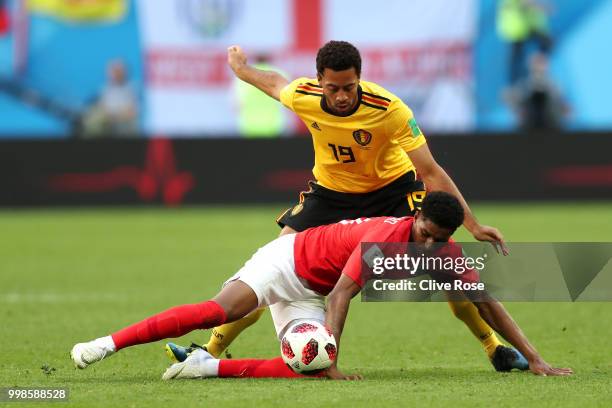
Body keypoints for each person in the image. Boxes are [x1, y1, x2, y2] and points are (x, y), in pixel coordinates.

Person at [167, 40, 522, 371]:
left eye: (348, 87)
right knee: (270, 267)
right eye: (332, 87)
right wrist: (243, 71)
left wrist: (472, 224)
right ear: (319, 80)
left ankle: (495, 348)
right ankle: (207, 352)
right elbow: (275, 83)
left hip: (392, 191)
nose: (340, 96)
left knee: (444, 269)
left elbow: (429, 170)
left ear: (359, 79)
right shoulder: (303, 95)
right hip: (332, 195)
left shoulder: (389, 110)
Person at [70, 192, 572, 380]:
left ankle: (207, 367)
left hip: (312, 292)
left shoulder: (445, 251)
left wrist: (538, 358)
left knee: (304, 365)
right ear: (414, 218)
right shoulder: (384, 235)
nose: (426, 246)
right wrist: (336, 362)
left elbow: (490, 305)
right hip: (288, 263)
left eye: (437, 240)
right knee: (215, 312)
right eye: (423, 234)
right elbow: (341, 295)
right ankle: (104, 344)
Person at [504, 52, 568, 131]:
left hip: (551, 124)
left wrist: (565, 109)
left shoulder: (554, 85)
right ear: (531, 66)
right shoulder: (524, 84)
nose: (539, 67)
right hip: (530, 124)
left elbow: (564, 105)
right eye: (537, 63)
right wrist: (517, 110)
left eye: (541, 63)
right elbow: (507, 96)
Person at [82, 59, 138, 137]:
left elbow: (132, 113)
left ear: (125, 72)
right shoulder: (105, 90)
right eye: (113, 71)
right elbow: (101, 106)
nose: (115, 73)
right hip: (106, 126)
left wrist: (112, 116)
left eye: (118, 70)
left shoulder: (132, 89)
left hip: (123, 128)